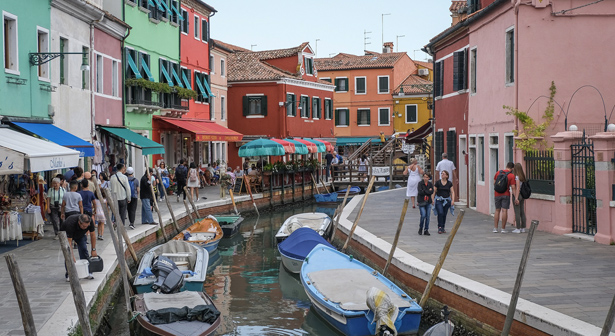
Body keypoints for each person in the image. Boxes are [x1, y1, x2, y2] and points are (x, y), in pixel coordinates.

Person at [61, 214, 97, 281]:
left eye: (87, 226)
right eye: (84, 226)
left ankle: (87, 271)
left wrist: (93, 249)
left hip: (80, 235)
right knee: (68, 255)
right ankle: (69, 274)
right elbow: (69, 242)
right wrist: (71, 255)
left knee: (84, 249)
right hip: (67, 234)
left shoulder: (90, 221)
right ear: (79, 222)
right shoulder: (71, 222)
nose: (86, 227)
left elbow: (93, 235)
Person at [493, 162, 516, 233]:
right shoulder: (511, 175)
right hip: (506, 194)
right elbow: (513, 187)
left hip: (497, 194)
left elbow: (494, 182)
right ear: (512, 168)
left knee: (497, 210)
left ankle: (495, 228)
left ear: (506, 166)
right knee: (504, 211)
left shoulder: (498, 173)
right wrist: (515, 197)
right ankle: (503, 229)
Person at [109, 163, 131, 227]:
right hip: (122, 197)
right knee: (123, 213)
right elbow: (127, 188)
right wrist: (129, 198)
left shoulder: (112, 177)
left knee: (116, 213)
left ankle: (116, 223)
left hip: (114, 198)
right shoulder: (124, 177)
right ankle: (122, 226)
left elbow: (110, 189)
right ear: (122, 169)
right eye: (124, 168)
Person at [512, 163, 527, 234]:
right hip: (522, 195)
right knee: (522, 212)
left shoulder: (517, 177)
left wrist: (516, 198)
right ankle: (523, 227)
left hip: (518, 195)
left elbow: (518, 188)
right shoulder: (523, 176)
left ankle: (518, 228)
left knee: (517, 212)